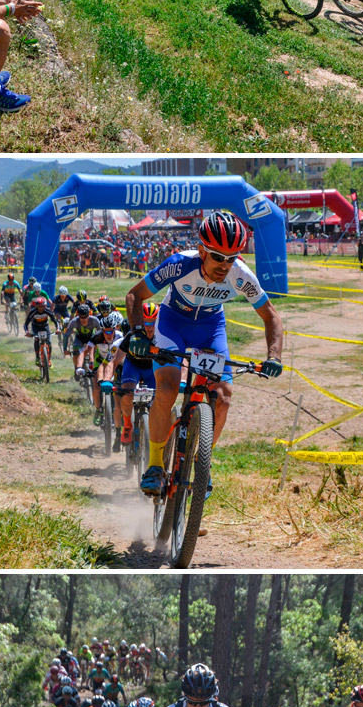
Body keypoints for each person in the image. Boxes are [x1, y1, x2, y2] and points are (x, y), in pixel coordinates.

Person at [125, 211, 283, 497]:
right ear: (201, 251)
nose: (225, 265)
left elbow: (271, 316)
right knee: (169, 387)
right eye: (218, 257)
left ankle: (202, 464)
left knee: (223, 396)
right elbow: (135, 296)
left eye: (232, 257)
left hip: (211, 328)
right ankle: (156, 465)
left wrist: (274, 357)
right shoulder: (179, 265)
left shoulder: (240, 275)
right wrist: (137, 332)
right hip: (173, 323)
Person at [112, 301, 157, 449]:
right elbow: (115, 360)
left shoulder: (163, 335)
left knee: (160, 399)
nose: (149, 326)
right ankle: (127, 424)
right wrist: (107, 379)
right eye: (146, 322)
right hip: (133, 366)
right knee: (128, 392)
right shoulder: (133, 335)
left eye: (153, 322)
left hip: (152, 369)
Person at [24, 295, 58, 366]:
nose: (40, 308)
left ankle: (48, 360)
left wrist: (58, 329)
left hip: (45, 327)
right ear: (36, 306)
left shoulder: (47, 311)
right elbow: (26, 324)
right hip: (35, 327)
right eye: (39, 307)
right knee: (36, 339)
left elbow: (55, 321)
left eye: (42, 306)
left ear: (45, 306)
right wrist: (27, 332)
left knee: (49, 343)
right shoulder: (33, 312)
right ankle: (37, 358)